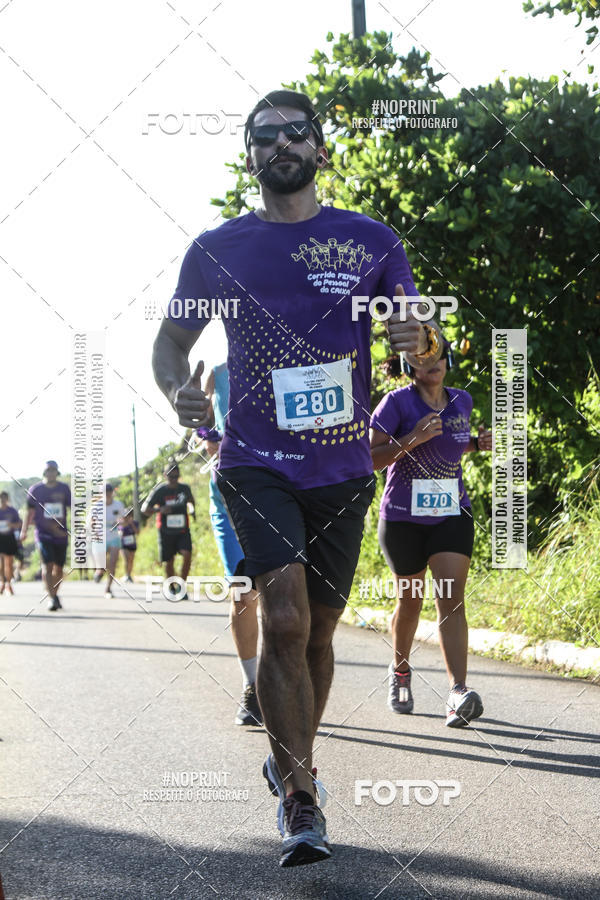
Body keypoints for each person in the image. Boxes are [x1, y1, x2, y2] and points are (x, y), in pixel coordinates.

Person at [152, 89, 442, 867]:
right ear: (249, 156)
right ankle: (300, 798)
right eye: (262, 136)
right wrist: (176, 387)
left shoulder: (369, 240)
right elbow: (171, 342)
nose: (279, 144)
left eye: (294, 133)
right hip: (255, 462)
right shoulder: (218, 249)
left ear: (319, 148)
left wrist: (416, 334)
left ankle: (292, 762)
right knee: (281, 619)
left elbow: (414, 330)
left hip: (343, 466)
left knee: (316, 632)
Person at [370, 344, 492, 727]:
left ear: (448, 360)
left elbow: (451, 447)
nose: (432, 363)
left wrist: (475, 444)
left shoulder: (462, 401)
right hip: (404, 519)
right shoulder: (396, 404)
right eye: (422, 358)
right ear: (410, 365)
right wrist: (412, 439)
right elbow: (369, 459)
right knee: (410, 602)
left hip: (450, 514)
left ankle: (458, 692)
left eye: (437, 354)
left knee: (450, 600)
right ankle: (400, 671)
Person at [201, 361, 262, 727]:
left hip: (281, 490)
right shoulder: (217, 373)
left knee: (285, 592)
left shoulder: (285, 355)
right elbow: (203, 423)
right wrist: (207, 436)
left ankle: (286, 680)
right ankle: (252, 685)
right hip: (228, 496)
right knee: (242, 592)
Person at [21, 461, 71, 611]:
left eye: (53, 470)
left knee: (59, 569)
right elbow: (28, 512)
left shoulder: (64, 489)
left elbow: (73, 508)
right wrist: (24, 531)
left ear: (57, 472)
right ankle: (52, 598)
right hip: (43, 533)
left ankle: (54, 593)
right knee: (47, 565)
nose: (51, 472)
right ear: (44, 472)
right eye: (48, 470)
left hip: (61, 534)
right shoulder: (35, 490)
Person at [141, 463, 195, 598]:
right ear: (165, 476)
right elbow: (144, 509)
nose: (174, 479)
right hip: (165, 531)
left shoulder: (184, 488)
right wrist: (159, 510)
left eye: (176, 476)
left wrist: (192, 510)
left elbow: (190, 500)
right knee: (169, 561)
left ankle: (182, 587)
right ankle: (171, 586)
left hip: (182, 530)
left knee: (187, 554)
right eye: (171, 476)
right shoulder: (160, 491)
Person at [92, 484, 125, 598]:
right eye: (105, 491)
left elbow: (124, 520)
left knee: (113, 563)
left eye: (109, 491)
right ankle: (99, 571)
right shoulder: (96, 506)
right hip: (100, 536)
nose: (107, 493)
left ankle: (108, 588)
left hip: (114, 536)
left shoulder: (119, 505)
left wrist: (121, 522)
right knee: (101, 565)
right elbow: (92, 522)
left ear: (112, 492)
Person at [0, 491, 22, 595]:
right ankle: (2, 583)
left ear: (7, 499)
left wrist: (11, 525)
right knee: (1, 564)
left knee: (9, 563)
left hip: (9, 537)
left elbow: (18, 524)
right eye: (1, 498)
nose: (2, 500)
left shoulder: (12, 511)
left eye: (4, 498)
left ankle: (9, 584)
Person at [119, 509, 139, 583]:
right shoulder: (121, 523)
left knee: (131, 560)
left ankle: (129, 575)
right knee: (126, 559)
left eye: (129, 515)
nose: (127, 516)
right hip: (123, 545)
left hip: (132, 544)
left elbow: (137, 532)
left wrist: (131, 524)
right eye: (126, 515)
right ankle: (126, 575)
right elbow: (119, 533)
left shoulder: (135, 523)